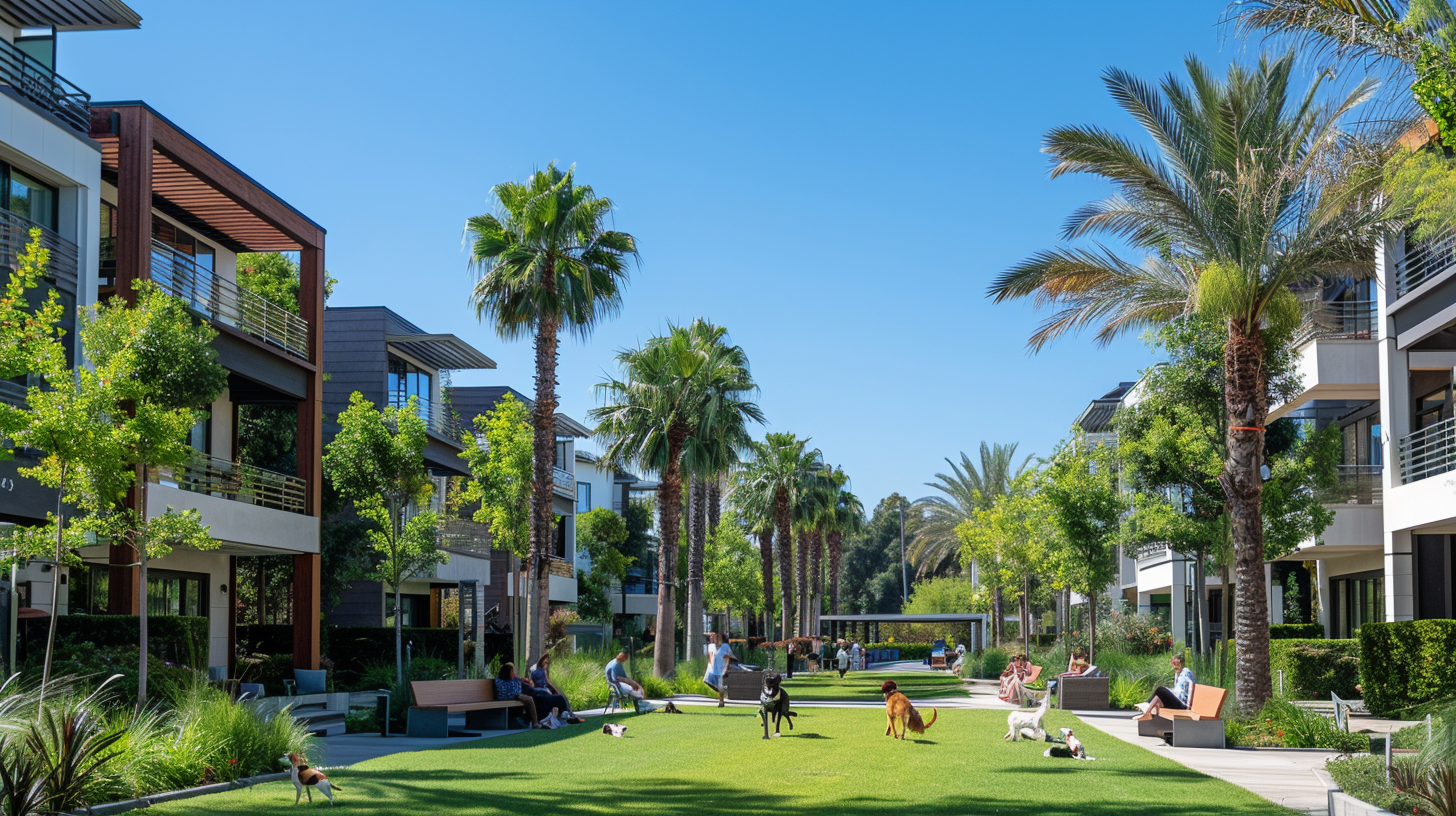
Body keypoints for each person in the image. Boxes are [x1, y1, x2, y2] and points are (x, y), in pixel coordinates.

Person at [1134, 655, 1195, 719]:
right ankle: (1147, 711)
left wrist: (1188, 706)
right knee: (1158, 696)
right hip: (1177, 702)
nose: (1173, 666)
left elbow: (1187, 688)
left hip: (1182, 705)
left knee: (1160, 690)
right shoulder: (1178, 674)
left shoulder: (1186, 671)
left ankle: (1147, 709)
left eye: (1175, 663)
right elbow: (1176, 690)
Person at [527, 654, 582, 725]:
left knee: (559, 696)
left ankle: (566, 713)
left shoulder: (538, 669)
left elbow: (546, 682)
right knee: (560, 697)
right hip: (540, 691)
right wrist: (556, 690)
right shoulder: (538, 670)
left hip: (541, 690)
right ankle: (567, 713)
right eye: (545, 662)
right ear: (542, 660)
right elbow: (546, 682)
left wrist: (555, 690)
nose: (546, 663)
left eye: (547, 662)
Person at [495, 663, 552, 729]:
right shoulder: (502, 681)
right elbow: (514, 692)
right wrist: (517, 680)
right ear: (507, 672)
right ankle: (535, 722)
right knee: (529, 699)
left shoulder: (511, 680)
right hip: (511, 696)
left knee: (530, 699)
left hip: (513, 696)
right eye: (512, 671)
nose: (513, 673)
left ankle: (530, 721)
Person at [701, 632, 738, 708]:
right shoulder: (711, 646)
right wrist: (710, 665)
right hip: (713, 669)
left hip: (722, 668)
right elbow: (710, 656)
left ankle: (721, 701)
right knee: (707, 680)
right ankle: (721, 693)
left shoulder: (725, 646)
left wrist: (728, 658)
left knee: (720, 685)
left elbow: (732, 656)